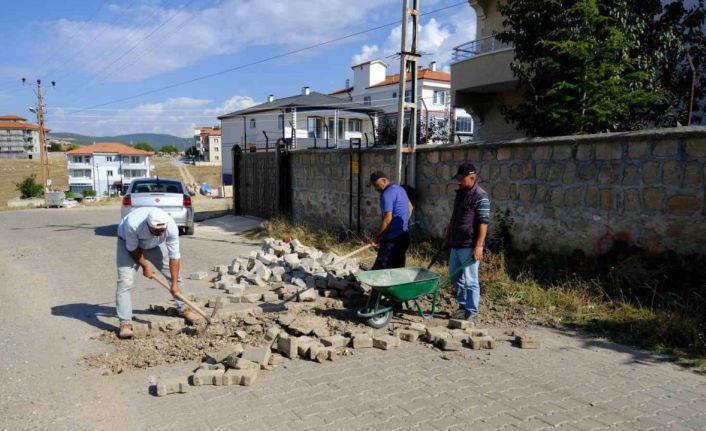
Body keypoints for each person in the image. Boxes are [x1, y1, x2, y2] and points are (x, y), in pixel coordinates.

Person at [115, 207, 201, 339]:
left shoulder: (171, 226)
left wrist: (174, 284)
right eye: (157, 231)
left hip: (154, 245)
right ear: (149, 225)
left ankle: (184, 309)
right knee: (125, 282)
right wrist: (145, 266)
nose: (161, 233)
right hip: (129, 244)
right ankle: (125, 323)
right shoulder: (133, 224)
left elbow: (174, 257)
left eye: (162, 230)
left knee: (176, 278)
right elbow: (132, 248)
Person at [444, 163, 490, 322]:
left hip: (469, 245)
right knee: (455, 276)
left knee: (470, 280)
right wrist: (447, 238)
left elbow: (483, 223)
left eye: (461, 179)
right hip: (456, 243)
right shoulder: (461, 194)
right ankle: (463, 306)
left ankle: (472, 312)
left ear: (472, 177)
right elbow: (453, 218)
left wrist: (479, 246)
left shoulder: (481, 196)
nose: (459, 182)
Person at [369, 171, 413, 270]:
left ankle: (377, 286)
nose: (375, 188)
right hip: (404, 237)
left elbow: (387, 219)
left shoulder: (387, 194)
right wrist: (403, 222)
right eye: (373, 186)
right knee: (397, 269)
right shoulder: (400, 189)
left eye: (376, 185)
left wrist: (377, 238)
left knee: (379, 270)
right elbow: (410, 207)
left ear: (384, 180)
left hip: (393, 240)